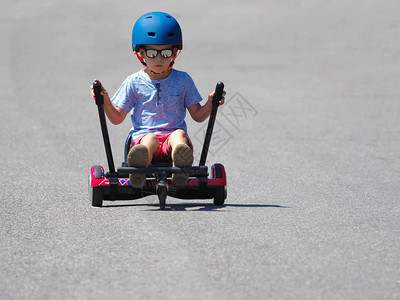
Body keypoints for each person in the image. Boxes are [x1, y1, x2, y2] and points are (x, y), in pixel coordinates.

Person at [91, 11, 225, 188]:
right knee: (150, 139)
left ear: (175, 52)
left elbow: (198, 115)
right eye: (153, 53)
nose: (160, 59)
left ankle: (181, 165)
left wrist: (210, 103)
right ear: (140, 53)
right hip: (144, 137)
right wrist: (104, 100)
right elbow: (117, 118)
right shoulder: (133, 82)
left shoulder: (183, 80)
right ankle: (140, 165)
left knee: (179, 135)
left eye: (166, 52)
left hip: (172, 140)